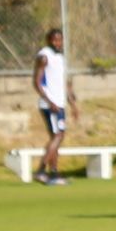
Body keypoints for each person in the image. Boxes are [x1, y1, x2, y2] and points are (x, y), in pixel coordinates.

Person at [32, 27, 78, 186]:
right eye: (55, 40)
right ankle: (41, 170)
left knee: (56, 137)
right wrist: (49, 101)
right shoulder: (44, 57)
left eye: (60, 40)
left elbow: (65, 83)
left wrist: (73, 105)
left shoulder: (61, 57)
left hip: (59, 103)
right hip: (50, 104)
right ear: (49, 40)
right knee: (59, 136)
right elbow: (36, 83)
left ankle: (54, 173)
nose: (58, 43)